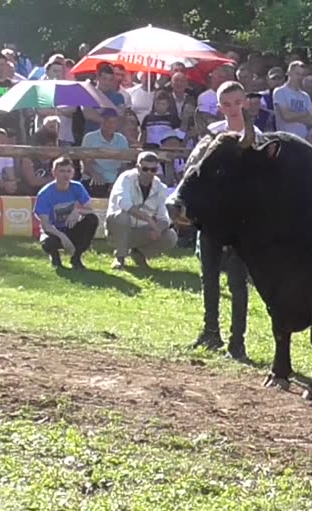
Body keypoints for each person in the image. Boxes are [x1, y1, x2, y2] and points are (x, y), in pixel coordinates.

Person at [183, 80, 255, 361]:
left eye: (237, 103)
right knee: (209, 277)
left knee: (238, 282)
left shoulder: (258, 137)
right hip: (210, 219)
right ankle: (210, 331)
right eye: (226, 104)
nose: (233, 109)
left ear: (245, 102)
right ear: (219, 107)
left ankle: (238, 342)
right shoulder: (210, 136)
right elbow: (192, 173)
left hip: (240, 223)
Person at [107, 151, 177, 269]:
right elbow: (125, 204)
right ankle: (120, 258)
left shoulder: (160, 187)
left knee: (170, 237)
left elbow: (164, 217)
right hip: (117, 229)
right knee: (122, 216)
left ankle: (139, 253)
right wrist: (149, 219)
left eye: (153, 170)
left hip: (141, 231)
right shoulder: (125, 178)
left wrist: (158, 229)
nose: (149, 173)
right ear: (138, 167)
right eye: (145, 169)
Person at [34, 157, 99, 269]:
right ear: (54, 173)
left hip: (71, 227)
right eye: (62, 171)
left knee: (91, 219)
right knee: (48, 242)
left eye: (69, 171)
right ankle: (55, 257)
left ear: (73, 172)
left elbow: (91, 210)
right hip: (54, 231)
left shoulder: (77, 187)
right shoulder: (45, 194)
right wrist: (63, 237)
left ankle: (76, 258)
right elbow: (46, 225)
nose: (66, 175)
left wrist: (78, 211)